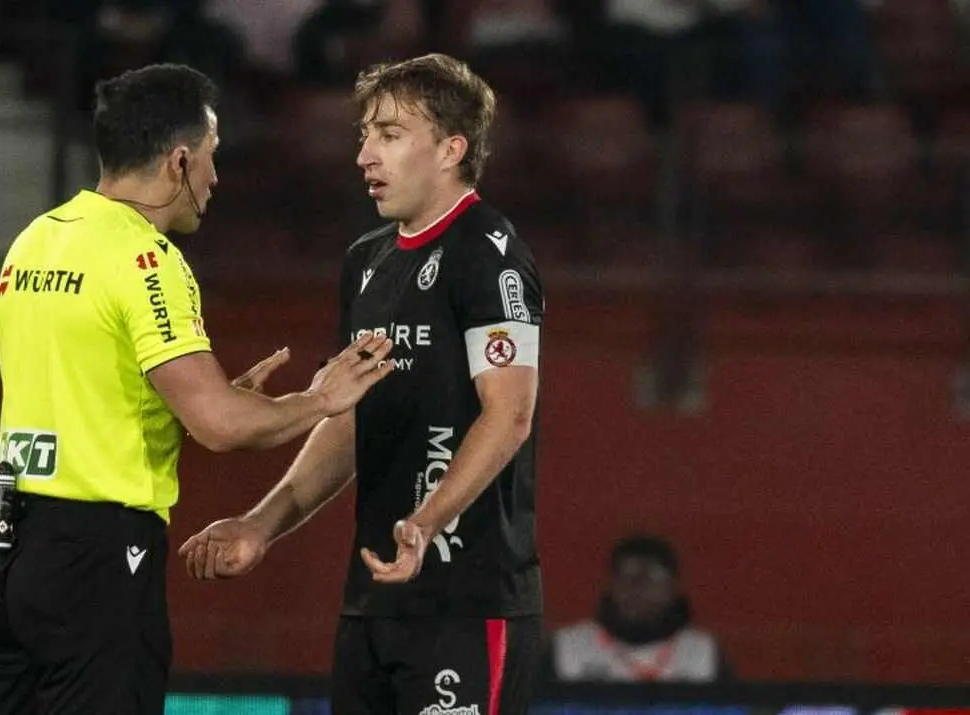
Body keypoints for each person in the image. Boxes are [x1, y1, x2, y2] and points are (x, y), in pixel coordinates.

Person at [0, 63, 394, 715]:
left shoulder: (35, 241)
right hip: (94, 560)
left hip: (1, 553)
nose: (215, 179)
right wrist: (319, 399)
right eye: (212, 159)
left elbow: (92, 391)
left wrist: (210, 397)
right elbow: (220, 424)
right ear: (179, 160)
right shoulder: (147, 260)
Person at [180, 53, 545, 714]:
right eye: (364, 135)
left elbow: (511, 414)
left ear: (450, 149)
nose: (364, 155)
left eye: (389, 134)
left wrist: (427, 521)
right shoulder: (366, 262)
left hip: (465, 602)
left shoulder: (490, 256)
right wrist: (261, 526)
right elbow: (349, 420)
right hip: (372, 603)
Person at [550, 533, 732, 682]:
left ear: (672, 588)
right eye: (627, 577)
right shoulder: (568, 647)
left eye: (651, 579)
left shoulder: (703, 653)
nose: (637, 589)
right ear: (611, 585)